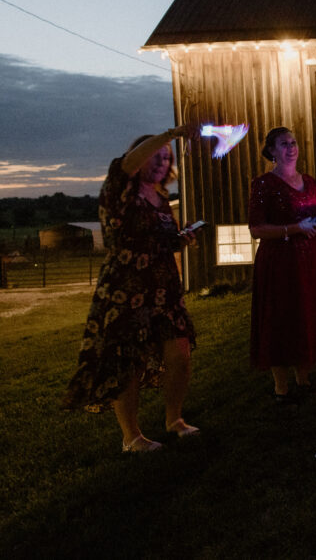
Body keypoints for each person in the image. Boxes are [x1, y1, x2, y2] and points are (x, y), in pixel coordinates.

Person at [63, 124, 203, 452]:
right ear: (137, 159)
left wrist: (181, 240)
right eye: (155, 155)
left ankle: (174, 419)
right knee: (129, 360)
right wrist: (175, 132)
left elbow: (160, 240)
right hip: (127, 288)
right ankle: (132, 437)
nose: (161, 162)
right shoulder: (120, 184)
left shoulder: (162, 197)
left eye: (166, 158)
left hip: (164, 288)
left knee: (179, 353)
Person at [248, 127, 316, 403]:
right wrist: (294, 229)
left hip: (309, 260)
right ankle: (281, 388)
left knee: (306, 315)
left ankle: (304, 379)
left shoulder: (309, 182)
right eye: (283, 144)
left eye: (294, 142)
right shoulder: (264, 184)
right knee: (281, 318)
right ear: (272, 151)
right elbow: (256, 229)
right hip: (279, 263)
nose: (291, 148)